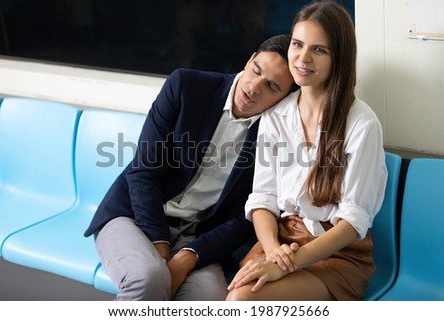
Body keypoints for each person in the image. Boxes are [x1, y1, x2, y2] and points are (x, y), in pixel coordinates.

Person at [84, 34, 297, 300]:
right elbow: (144, 171)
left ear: (285, 99)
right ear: (250, 59)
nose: (254, 88)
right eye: (255, 71)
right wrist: (162, 252)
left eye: (272, 87)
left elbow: (242, 219)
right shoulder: (186, 86)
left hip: (197, 237)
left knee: (208, 298)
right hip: (134, 214)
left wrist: (186, 258)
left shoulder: (277, 135)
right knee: (150, 278)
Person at [226, 1, 388, 301]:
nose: (303, 58)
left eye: (319, 50)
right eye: (298, 44)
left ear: (338, 58)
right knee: (234, 294)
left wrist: (285, 265)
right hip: (283, 240)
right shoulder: (276, 115)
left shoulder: (362, 123)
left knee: (243, 300)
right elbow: (263, 199)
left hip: (337, 253)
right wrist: (275, 254)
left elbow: (353, 222)